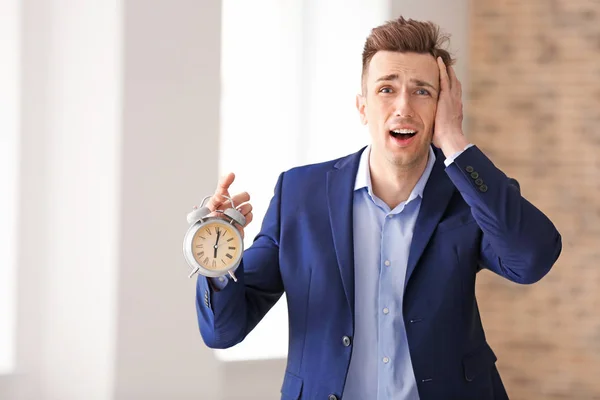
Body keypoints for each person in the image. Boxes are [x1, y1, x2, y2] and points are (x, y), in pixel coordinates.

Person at [194, 16, 562, 400]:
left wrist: (453, 139)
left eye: (422, 91)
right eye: (387, 89)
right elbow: (223, 332)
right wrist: (218, 254)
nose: (403, 106)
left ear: (443, 105)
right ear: (363, 107)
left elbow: (531, 259)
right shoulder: (300, 195)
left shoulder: (467, 196)